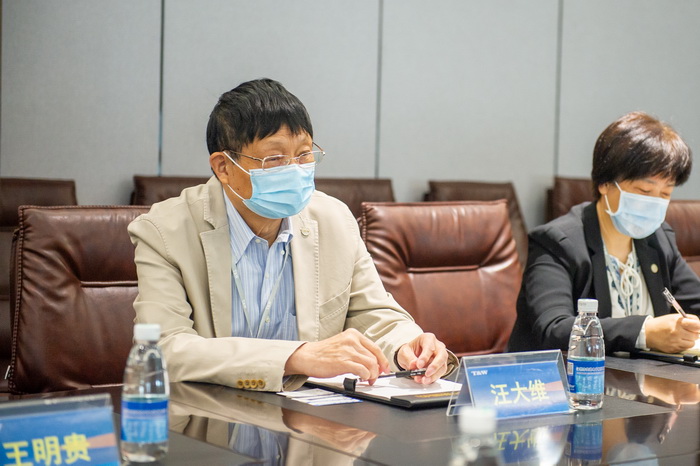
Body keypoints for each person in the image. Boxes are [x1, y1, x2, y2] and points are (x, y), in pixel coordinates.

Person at [128, 78, 455, 392]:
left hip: (307, 416)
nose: (295, 169)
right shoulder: (165, 231)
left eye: (304, 154)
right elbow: (165, 349)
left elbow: (372, 313)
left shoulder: (334, 220)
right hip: (211, 416)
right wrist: (294, 358)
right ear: (224, 167)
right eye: (275, 158)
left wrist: (405, 346)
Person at [509, 111, 700, 354]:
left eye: (666, 193)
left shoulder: (658, 239)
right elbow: (554, 329)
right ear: (605, 184)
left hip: (643, 376)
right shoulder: (557, 242)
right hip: (567, 375)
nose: (655, 202)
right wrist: (645, 332)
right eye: (644, 190)